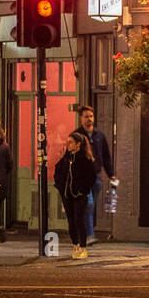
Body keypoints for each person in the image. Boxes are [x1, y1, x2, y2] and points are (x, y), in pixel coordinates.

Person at [71, 105, 115, 246]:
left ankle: (82, 232)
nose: (89, 119)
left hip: (96, 178)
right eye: (86, 116)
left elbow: (106, 157)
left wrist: (111, 175)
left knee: (90, 206)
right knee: (88, 204)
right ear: (81, 119)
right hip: (82, 178)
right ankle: (89, 235)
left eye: (91, 116)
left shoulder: (99, 136)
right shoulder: (76, 135)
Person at [54, 132, 97, 259]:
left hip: (79, 195)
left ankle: (83, 247)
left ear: (78, 145)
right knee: (71, 220)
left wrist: (82, 190)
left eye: (71, 142)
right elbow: (58, 171)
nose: (68, 145)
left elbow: (91, 177)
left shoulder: (84, 159)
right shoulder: (66, 158)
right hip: (67, 194)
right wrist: (60, 185)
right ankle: (75, 245)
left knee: (79, 219)